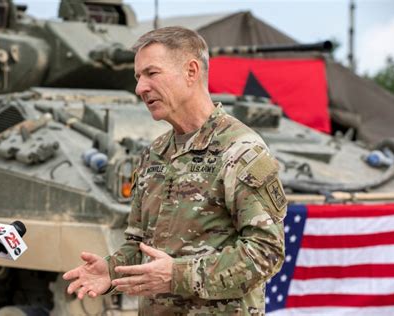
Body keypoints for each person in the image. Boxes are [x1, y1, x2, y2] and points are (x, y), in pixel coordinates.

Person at [63, 26, 287, 315]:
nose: (140, 88)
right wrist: (110, 271)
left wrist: (177, 276)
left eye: (151, 73)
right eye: (138, 77)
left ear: (191, 71)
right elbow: (138, 243)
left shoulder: (240, 150)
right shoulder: (154, 154)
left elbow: (266, 252)